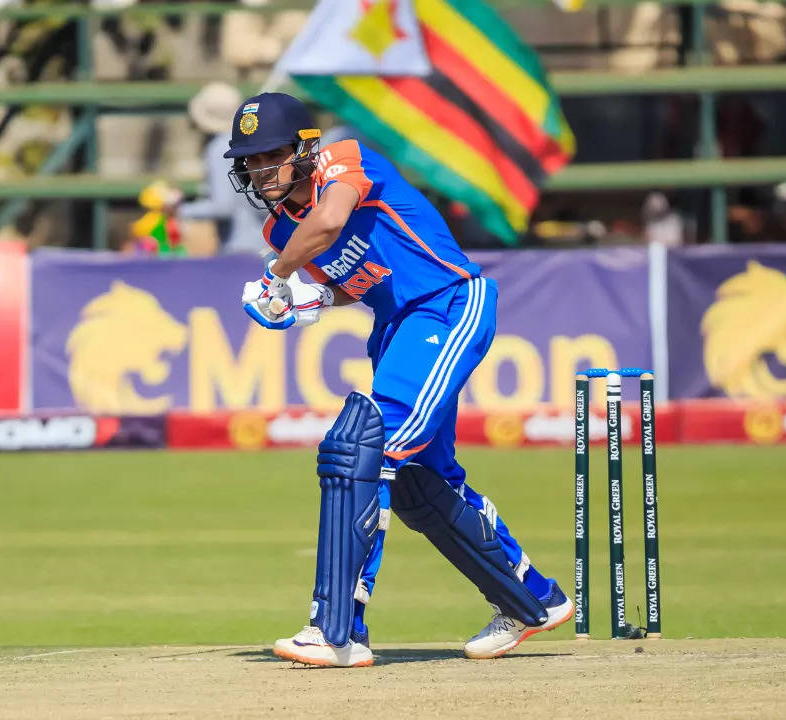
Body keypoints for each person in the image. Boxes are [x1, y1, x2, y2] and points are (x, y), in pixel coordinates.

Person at [228, 93, 571, 668]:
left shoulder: (344, 159)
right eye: (251, 161)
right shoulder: (280, 231)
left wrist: (278, 274)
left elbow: (332, 218)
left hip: (446, 304)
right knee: (418, 480)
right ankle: (533, 599)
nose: (261, 170)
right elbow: (349, 280)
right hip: (395, 325)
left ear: (304, 149)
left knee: (364, 449)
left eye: (272, 155)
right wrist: (306, 302)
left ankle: (337, 630)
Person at [174, 82, 268, 255]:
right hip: (264, 243)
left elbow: (223, 206)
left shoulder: (219, 149)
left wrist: (179, 210)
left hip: (240, 247)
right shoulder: (249, 142)